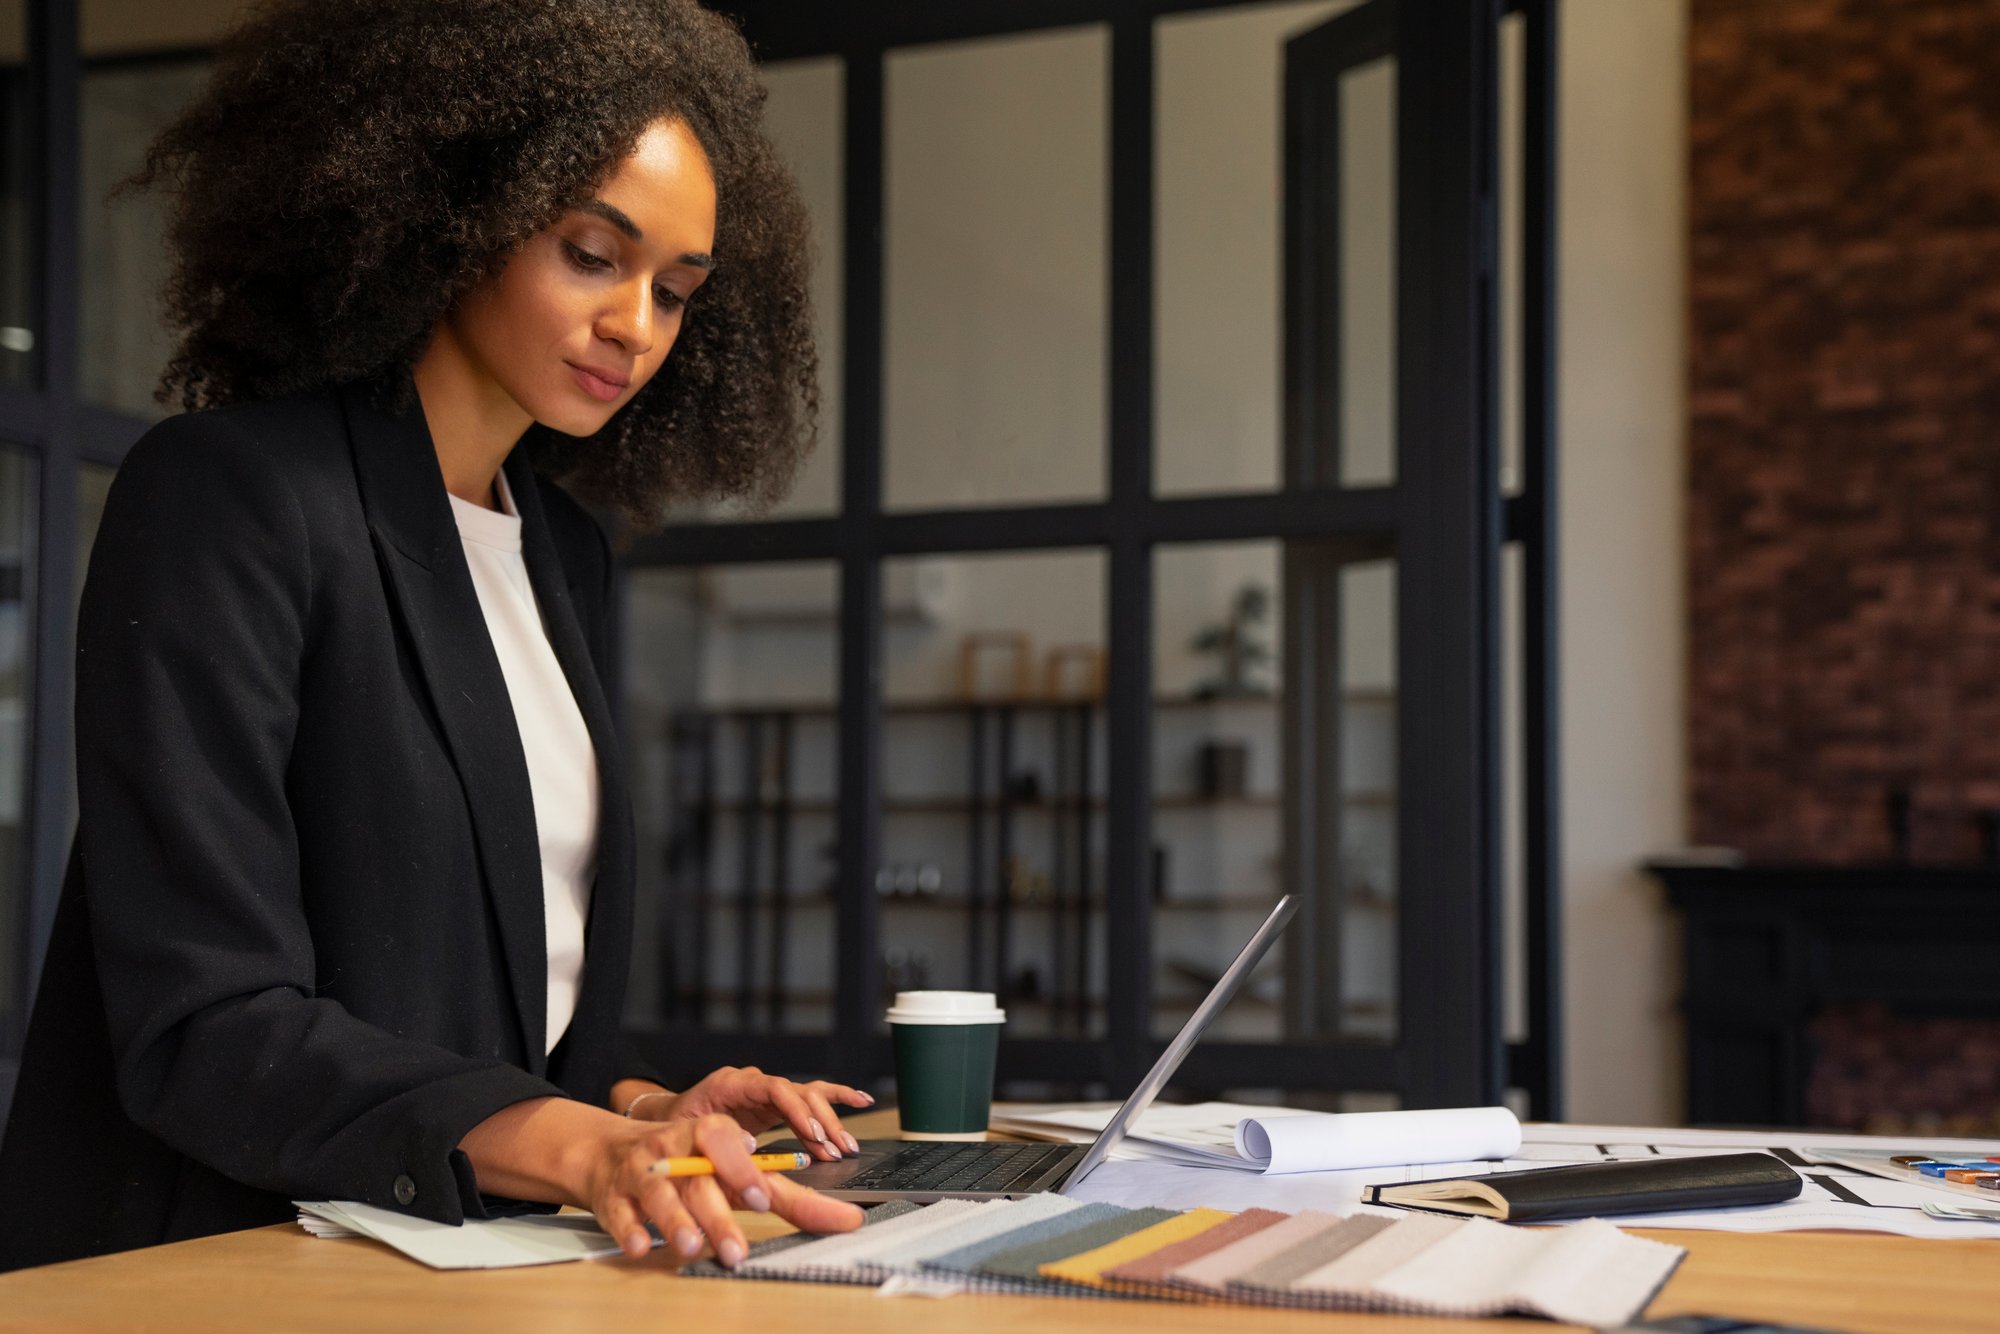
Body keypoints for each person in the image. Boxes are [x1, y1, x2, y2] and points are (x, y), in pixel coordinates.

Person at [0, 0, 866, 1272]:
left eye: (675, 291)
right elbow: (210, 1021)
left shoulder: (560, 551)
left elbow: (474, 1004)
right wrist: (577, 1146)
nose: (637, 324)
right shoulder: (229, 494)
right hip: (211, 1260)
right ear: (453, 209)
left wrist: (634, 1108)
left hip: (463, 1261)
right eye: (591, 252)